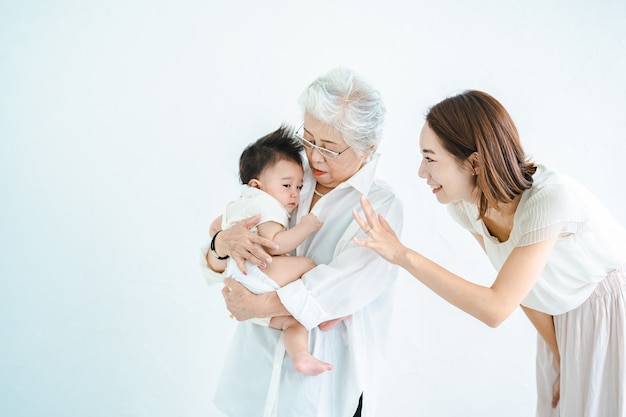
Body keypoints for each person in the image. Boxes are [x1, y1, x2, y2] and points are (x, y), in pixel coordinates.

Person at [353, 90, 626, 417]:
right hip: (559, 323)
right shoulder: (467, 208)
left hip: (610, 315)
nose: (421, 173)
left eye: (430, 158)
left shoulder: (549, 200)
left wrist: (403, 255)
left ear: (474, 162)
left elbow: (496, 307)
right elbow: (526, 293)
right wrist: (559, 355)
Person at [200, 67, 403, 417]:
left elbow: (336, 293)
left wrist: (259, 306)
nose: (315, 157)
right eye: (309, 140)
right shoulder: (287, 175)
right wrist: (221, 243)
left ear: (367, 149)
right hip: (254, 376)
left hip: (325, 389)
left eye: (330, 148)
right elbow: (219, 265)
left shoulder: (381, 205)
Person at [216, 124, 332, 376]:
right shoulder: (264, 204)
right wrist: (306, 226)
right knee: (309, 267)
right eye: (287, 185)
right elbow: (276, 244)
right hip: (256, 274)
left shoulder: (242, 202)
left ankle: (301, 356)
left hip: (242, 282)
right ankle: (327, 311)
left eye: (300, 187)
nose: (295, 195)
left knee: (294, 322)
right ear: (257, 185)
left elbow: (215, 231)